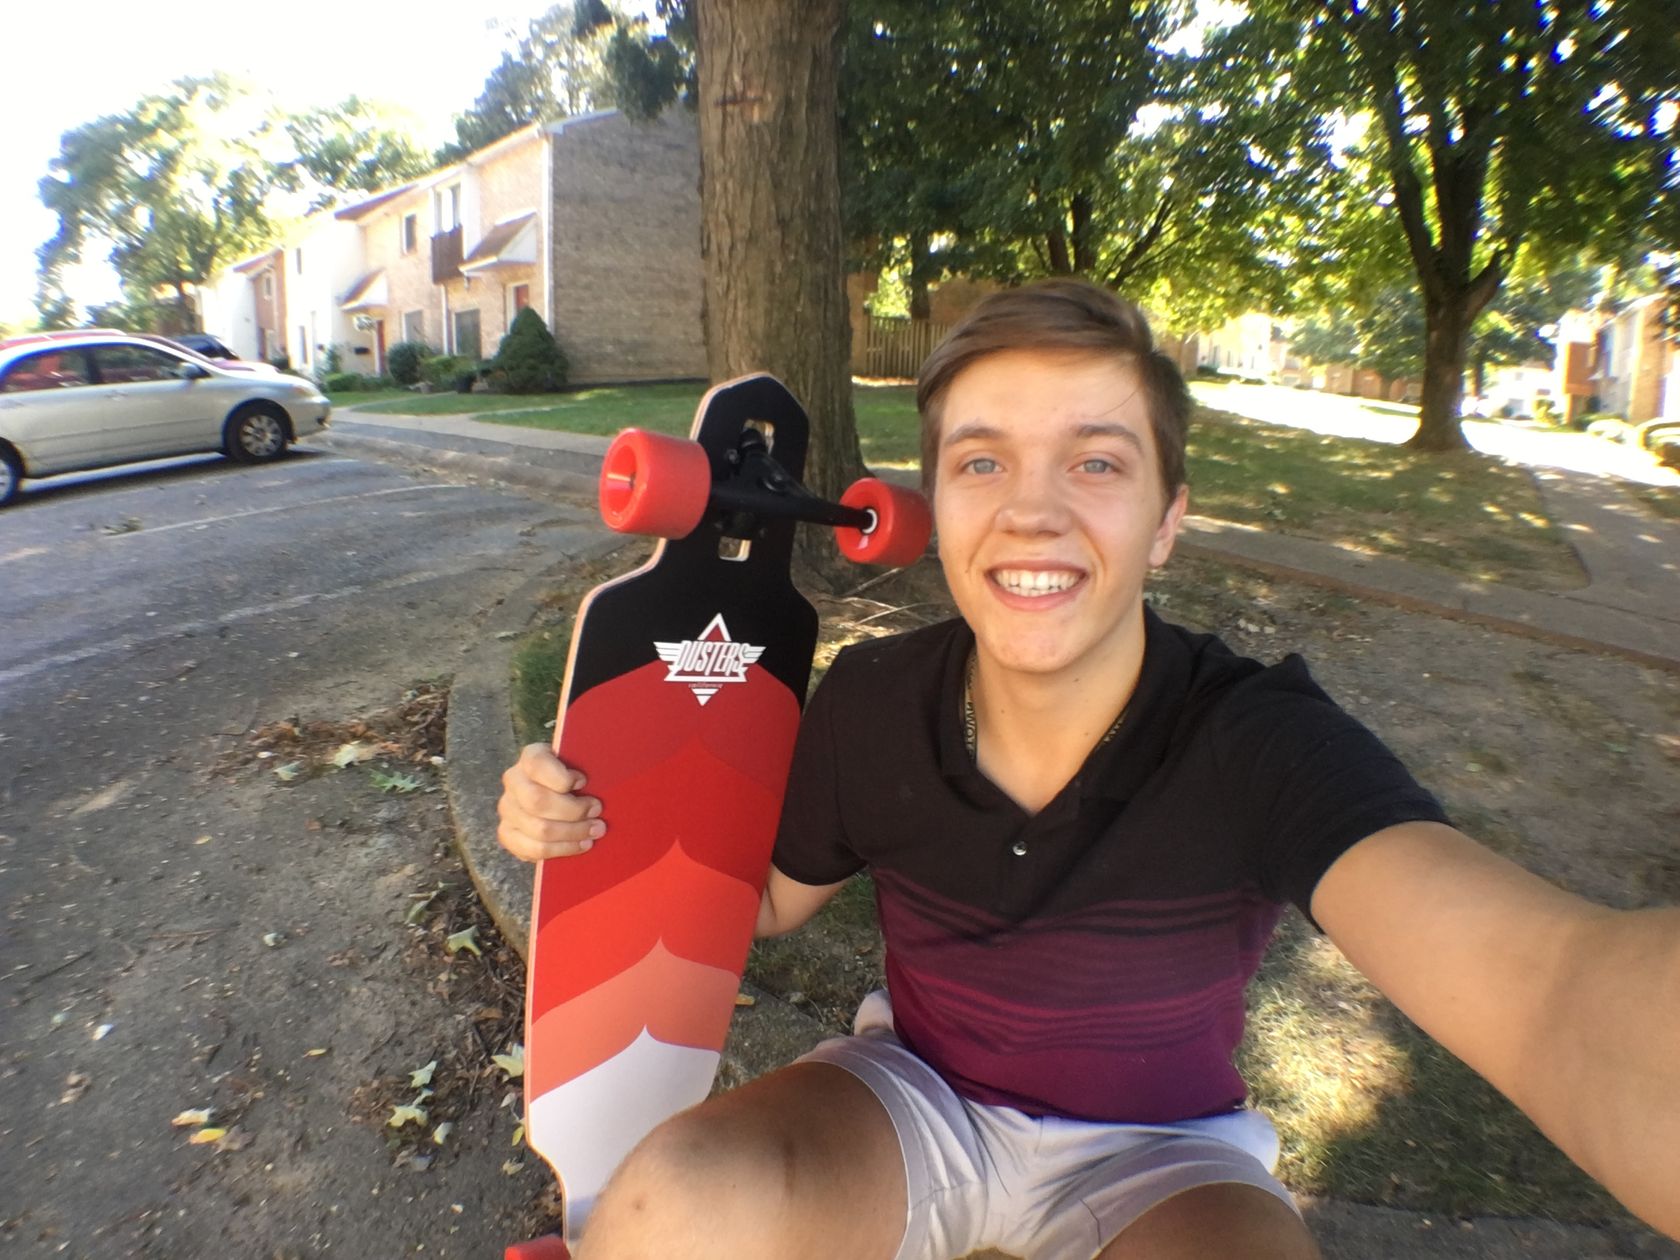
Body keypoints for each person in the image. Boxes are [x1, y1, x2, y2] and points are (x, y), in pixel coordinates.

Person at [497, 280, 1680, 1260]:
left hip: (1162, 1153)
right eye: (983, 463)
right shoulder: (872, 703)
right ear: (934, 506)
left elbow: (1555, 995)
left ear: (1166, 519)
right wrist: (585, 819)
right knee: (674, 1204)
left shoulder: (1259, 742)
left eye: (1098, 464)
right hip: (916, 1098)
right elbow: (752, 904)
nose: (1033, 513)